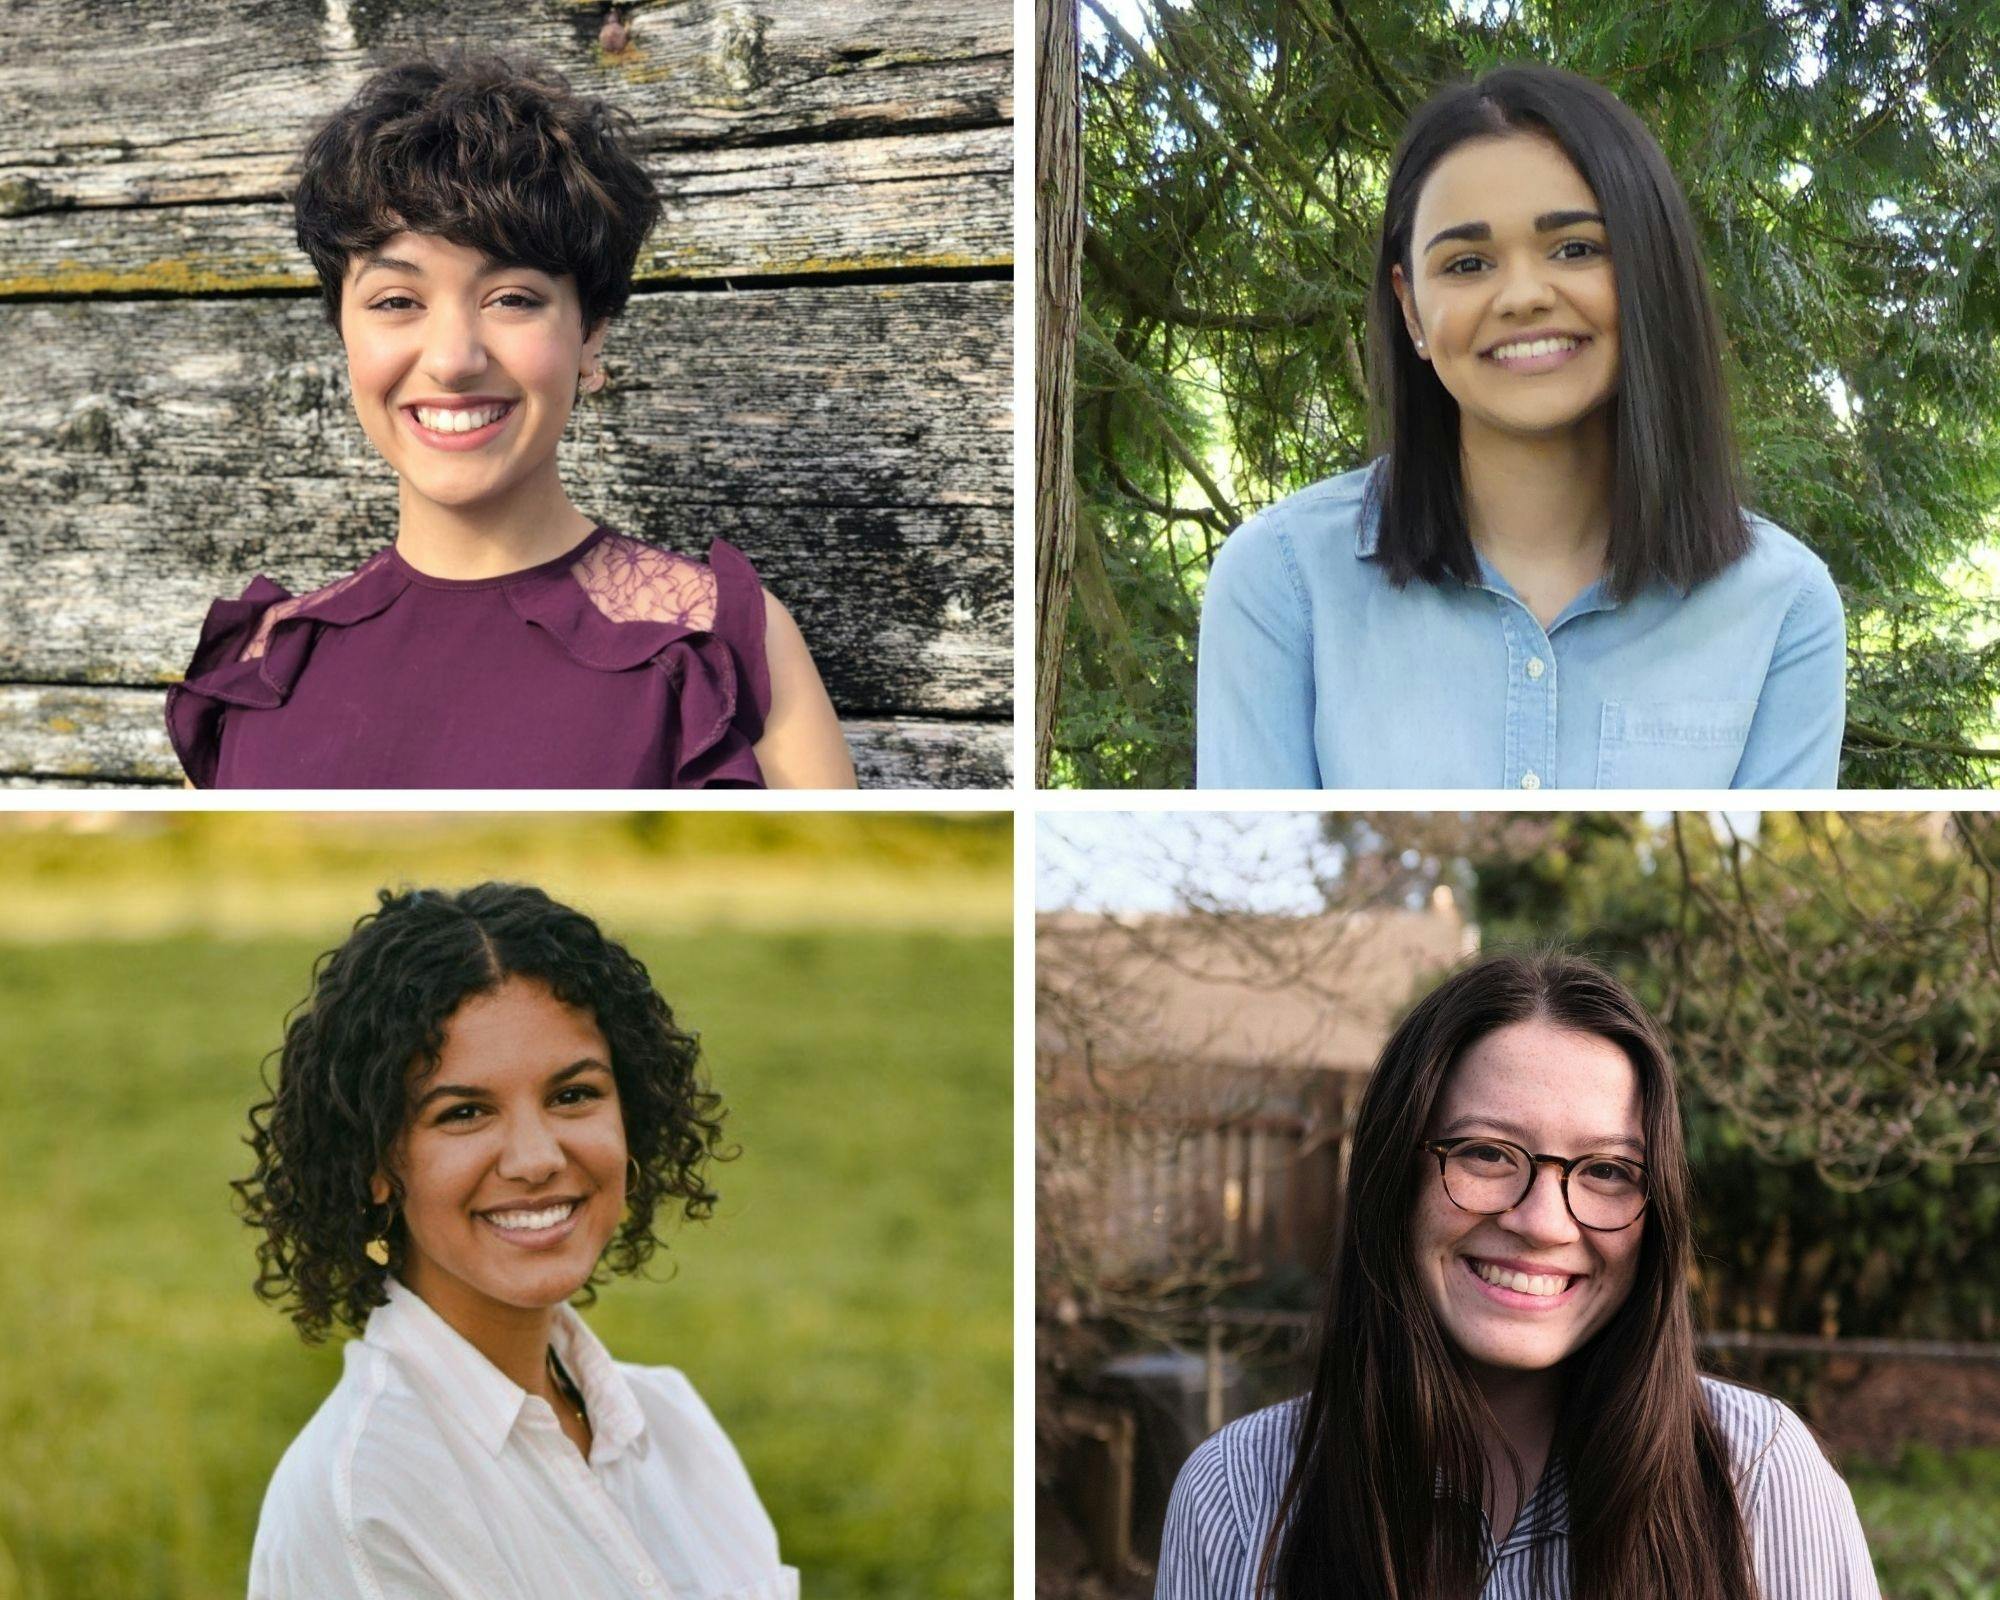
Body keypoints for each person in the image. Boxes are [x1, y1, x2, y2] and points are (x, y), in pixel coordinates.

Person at [166, 48, 855, 789]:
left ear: (590, 334)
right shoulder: (256, 672)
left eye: (513, 299)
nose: (454, 359)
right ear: (344, 334)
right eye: (397, 302)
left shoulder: (720, 641)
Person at [1196, 65, 1845, 790]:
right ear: (1411, 309)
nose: (1524, 297)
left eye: (1575, 248)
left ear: (1647, 270)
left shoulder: (1782, 608)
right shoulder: (1283, 582)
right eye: (1467, 263)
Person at [1156, 951, 1878, 1599]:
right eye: (1488, 1154)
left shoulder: (1757, 1481)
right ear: (1394, 1178)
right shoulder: (1240, 1496)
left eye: (1607, 1171)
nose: (1543, 1223)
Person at [236, 883, 797, 1600]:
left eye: (573, 1095)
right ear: (375, 1162)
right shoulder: (367, 1505)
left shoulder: (674, 1426)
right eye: (465, 1112)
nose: (535, 1158)